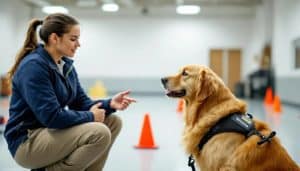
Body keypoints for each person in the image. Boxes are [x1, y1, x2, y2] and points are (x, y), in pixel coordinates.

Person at [4, 13, 136, 171]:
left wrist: (110, 104)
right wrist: (91, 116)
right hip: (27, 141)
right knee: (99, 132)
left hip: (49, 132)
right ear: (55, 38)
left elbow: (81, 103)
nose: (78, 44)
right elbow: (51, 117)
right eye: (73, 39)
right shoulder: (34, 67)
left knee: (112, 122)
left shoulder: (65, 65)